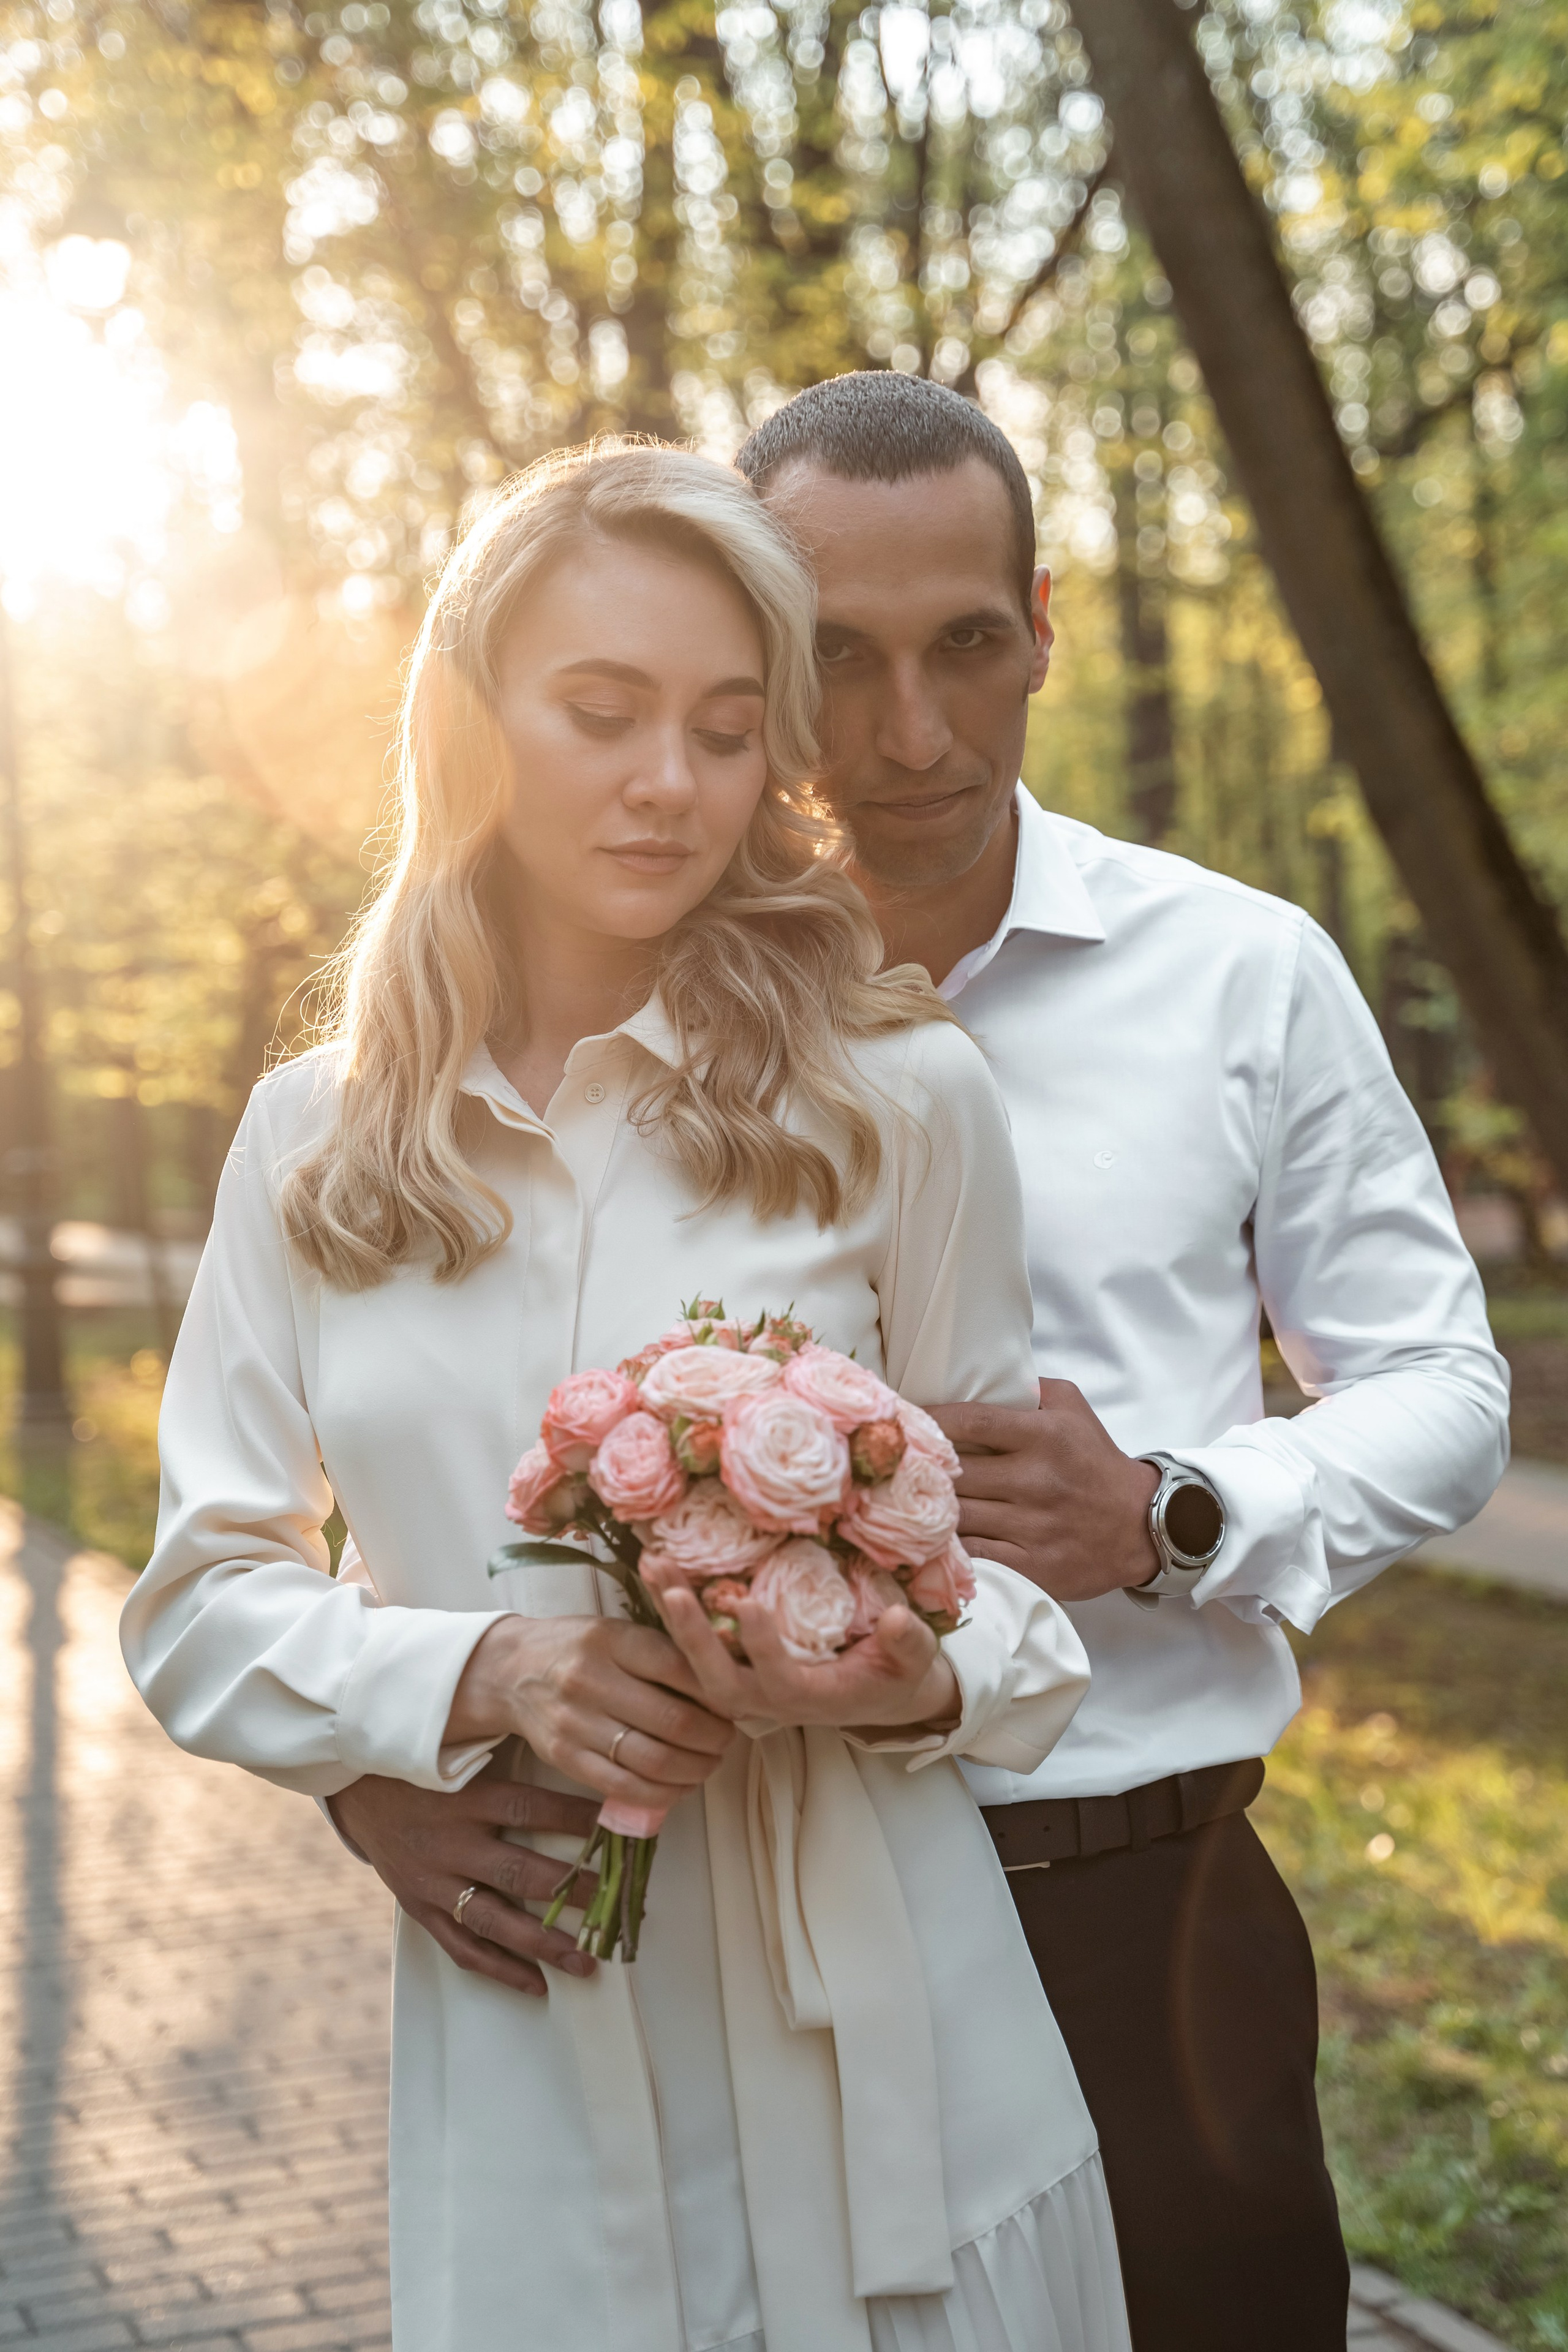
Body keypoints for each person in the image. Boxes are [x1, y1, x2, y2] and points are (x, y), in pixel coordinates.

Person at [333, 377, 1510, 2351]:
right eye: (838, 661)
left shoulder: (1241, 970)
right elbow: (414, 1458)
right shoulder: (579, 1021)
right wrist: (379, 1772)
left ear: (1044, 621)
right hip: (716, 1940)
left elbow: (1446, 1388)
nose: (913, 735)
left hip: (1143, 1919)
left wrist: (1175, 1509)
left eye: (969, 644)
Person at [121, 442, 1133, 2352]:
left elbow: (1012, 1593)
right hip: (534, 2050)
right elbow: (196, 1605)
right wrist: (465, 1688)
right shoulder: (312, 1146)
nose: (672, 783)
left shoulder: (899, 1101)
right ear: (472, 720)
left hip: (897, 2052)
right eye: (603, 714)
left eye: (729, 730)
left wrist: (897, 1669)